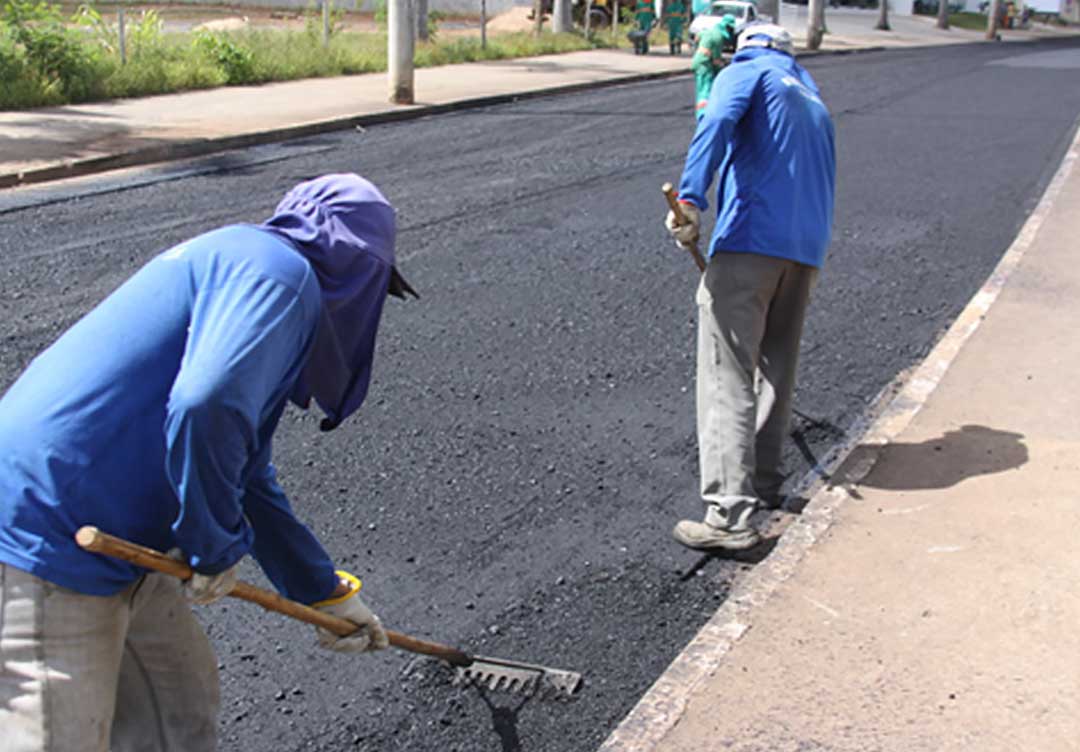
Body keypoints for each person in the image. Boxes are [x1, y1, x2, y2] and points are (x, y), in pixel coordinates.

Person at [0, 173, 418, 751]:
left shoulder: (249, 267)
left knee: (180, 712)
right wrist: (212, 546)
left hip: (122, 541)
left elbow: (244, 472)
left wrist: (323, 591)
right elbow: (207, 404)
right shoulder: (282, 274)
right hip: (48, 529)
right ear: (352, 264)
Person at [664, 24, 836, 551]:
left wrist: (690, 200)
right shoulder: (811, 94)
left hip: (751, 243)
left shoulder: (746, 72)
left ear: (744, 48)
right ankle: (764, 485)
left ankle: (729, 517)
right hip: (804, 252)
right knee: (774, 367)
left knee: (727, 373)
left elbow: (715, 119)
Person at [691, 14, 737, 120]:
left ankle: (702, 112)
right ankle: (702, 115)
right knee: (705, 89)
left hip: (699, 62)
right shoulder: (718, 37)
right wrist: (723, 70)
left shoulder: (710, 31)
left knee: (700, 88)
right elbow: (716, 60)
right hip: (704, 65)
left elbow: (697, 37)